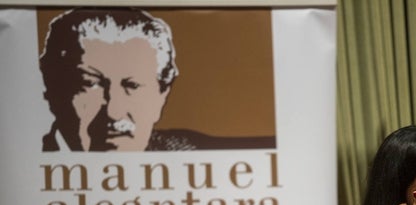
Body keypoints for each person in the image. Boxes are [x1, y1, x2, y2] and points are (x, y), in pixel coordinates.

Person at [39, 8, 275, 151]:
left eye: (131, 86)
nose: (114, 111)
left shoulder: (196, 155)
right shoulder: (20, 171)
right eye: (90, 84)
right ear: (51, 91)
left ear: (162, 95)